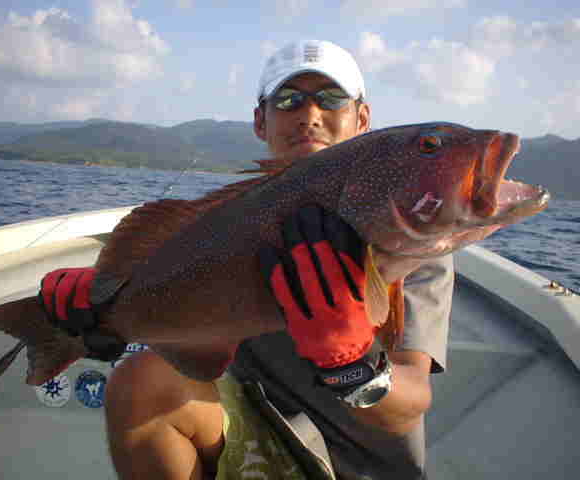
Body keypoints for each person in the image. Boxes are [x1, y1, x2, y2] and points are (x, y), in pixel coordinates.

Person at [39, 40, 453, 479]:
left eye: (331, 98)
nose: (310, 114)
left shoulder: (404, 237)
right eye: (288, 99)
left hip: (364, 471)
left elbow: (408, 408)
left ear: (362, 119)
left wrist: (355, 366)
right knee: (140, 381)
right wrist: (106, 308)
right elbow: (184, 334)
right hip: (258, 439)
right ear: (260, 121)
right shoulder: (221, 223)